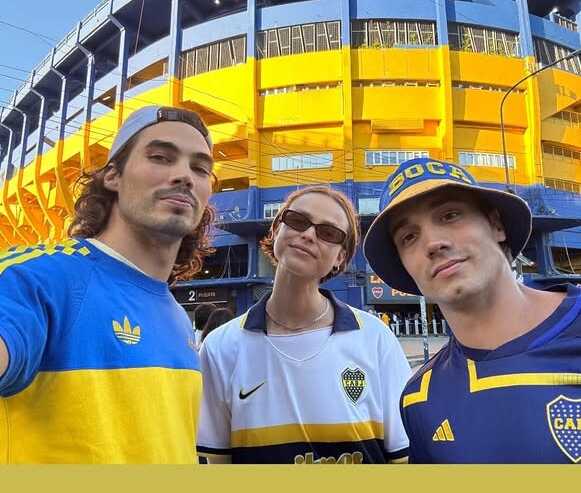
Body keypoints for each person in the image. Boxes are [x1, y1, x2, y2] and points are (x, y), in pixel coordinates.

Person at [364, 156, 581, 464]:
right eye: (409, 237)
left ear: (496, 225)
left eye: (450, 215)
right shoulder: (419, 399)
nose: (433, 243)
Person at [0, 105, 215, 464]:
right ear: (113, 175)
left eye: (200, 168)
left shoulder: (178, 316)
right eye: (161, 157)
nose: (184, 176)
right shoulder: (39, 277)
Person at [198, 185, 411, 463]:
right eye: (297, 220)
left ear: (341, 257)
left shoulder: (375, 339)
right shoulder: (220, 348)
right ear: (276, 229)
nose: (309, 234)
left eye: (329, 233)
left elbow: (404, 458)